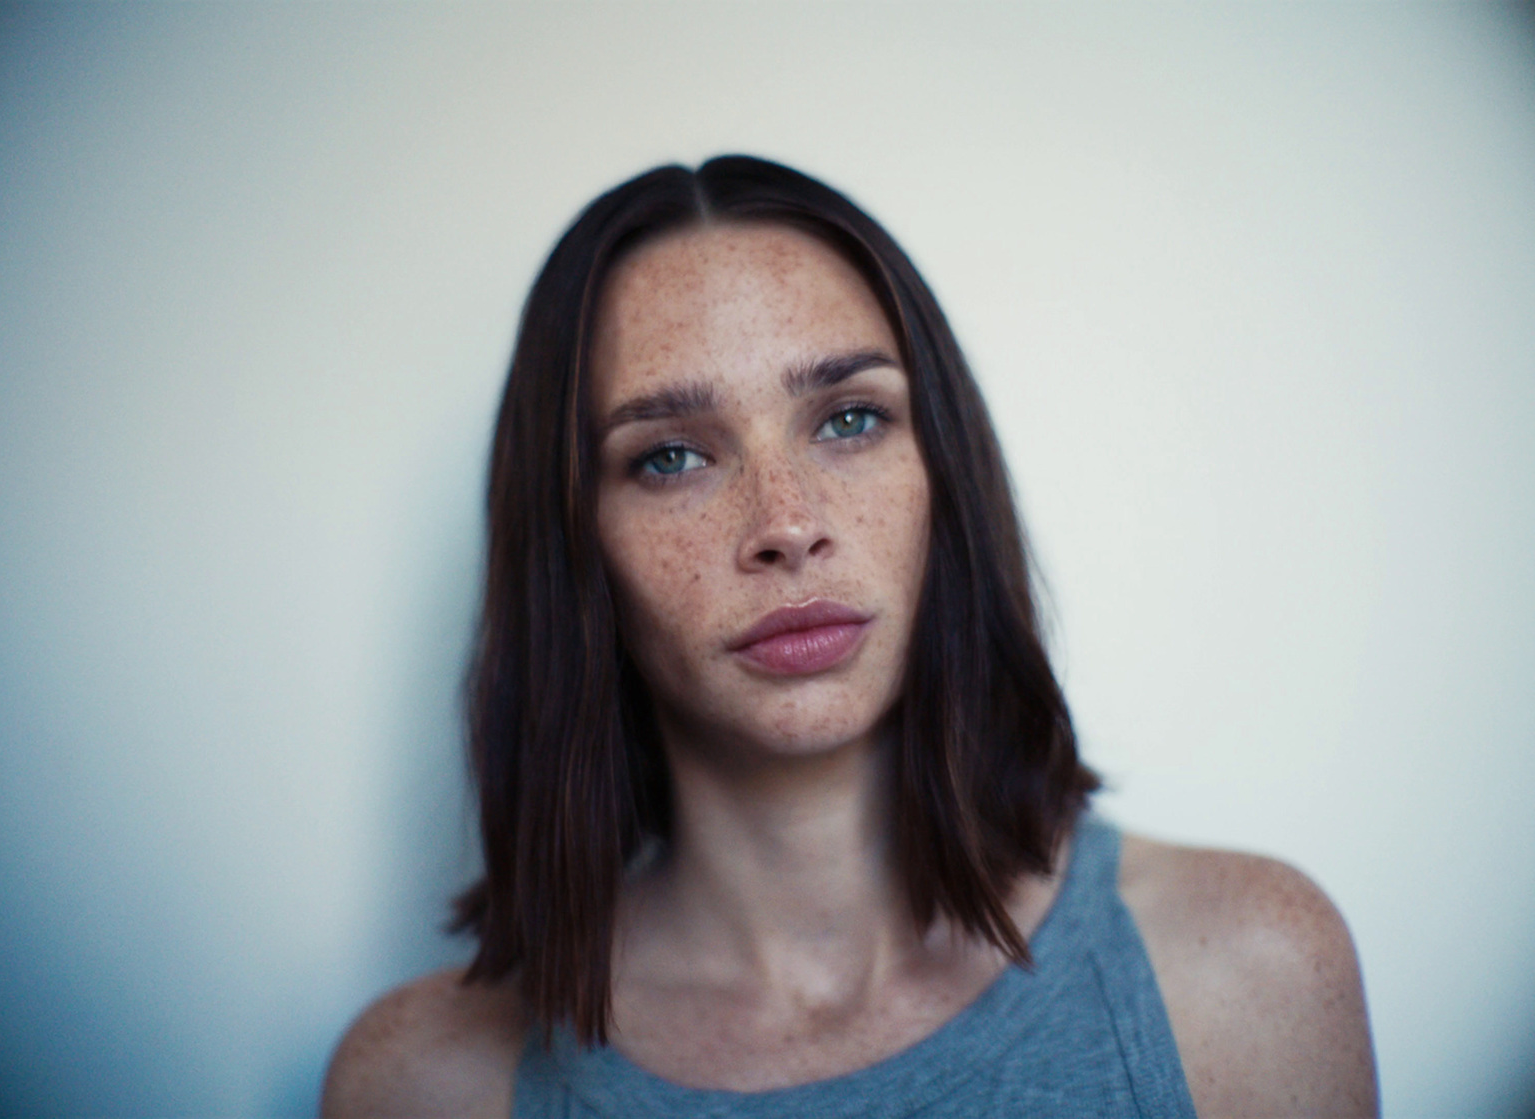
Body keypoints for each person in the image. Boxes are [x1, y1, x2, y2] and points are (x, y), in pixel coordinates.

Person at [321, 156, 1377, 1118]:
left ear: (942, 474)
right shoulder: (422, 1083)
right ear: (572, 545)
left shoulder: (1247, 969)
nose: (785, 523)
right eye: (671, 458)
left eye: (847, 420)